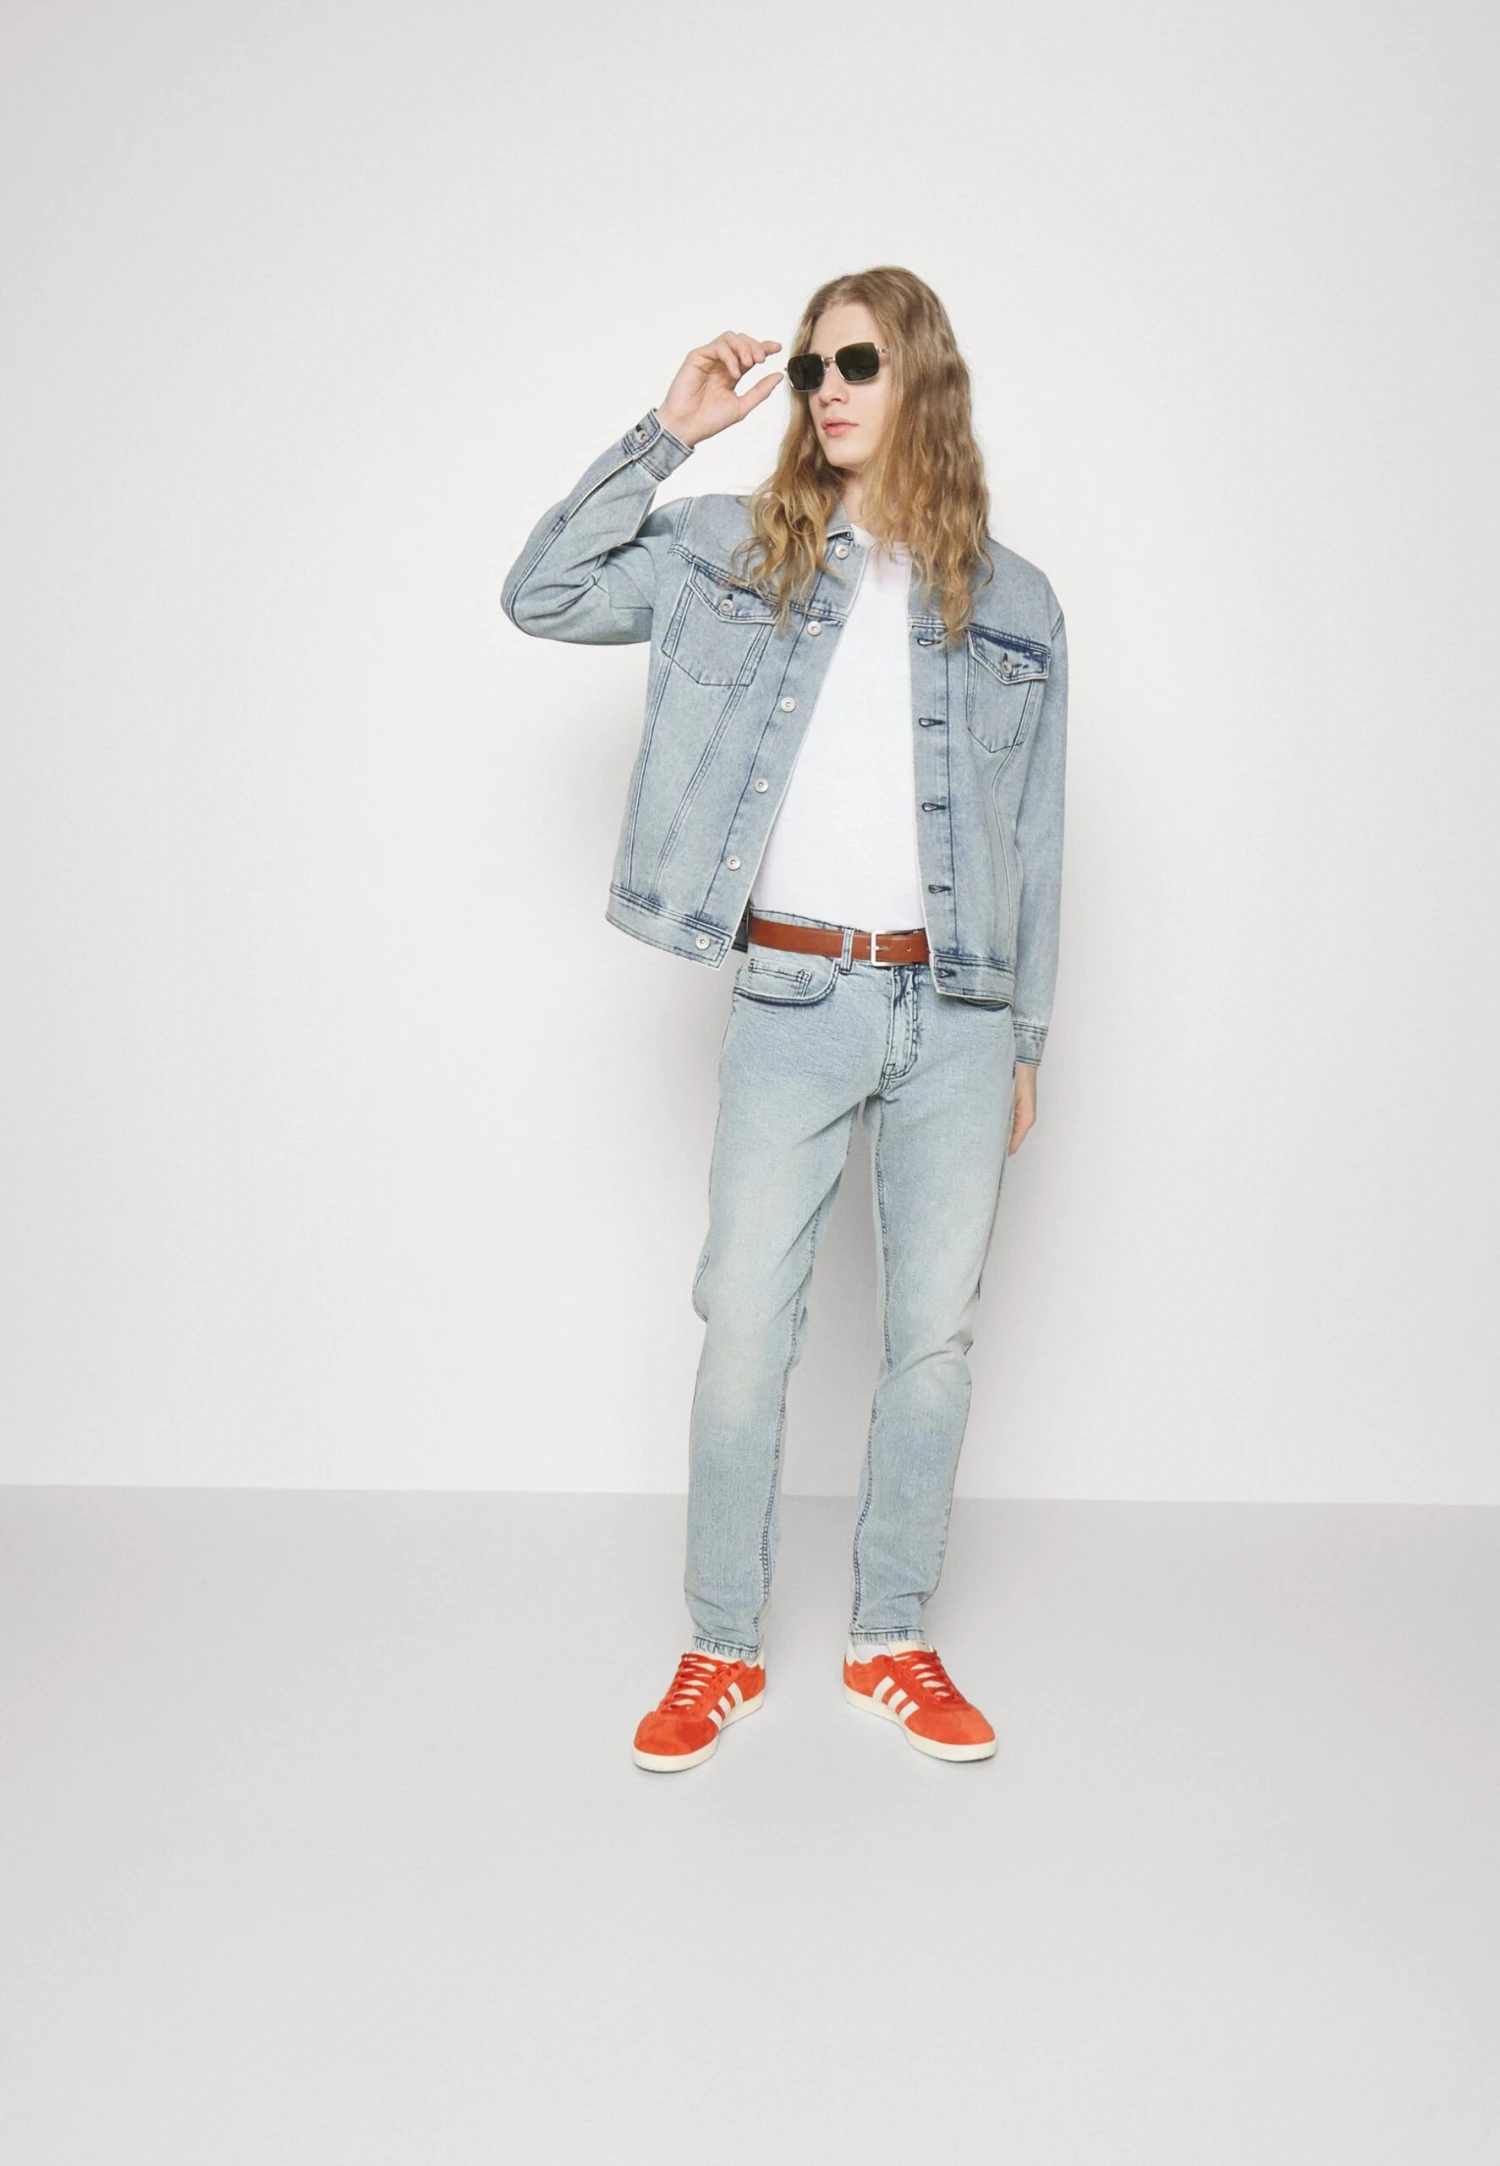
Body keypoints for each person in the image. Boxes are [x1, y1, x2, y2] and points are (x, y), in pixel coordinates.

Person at [501, 265, 1067, 1771]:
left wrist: (1025, 1037)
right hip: (793, 992)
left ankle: (890, 1636)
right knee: (747, 1326)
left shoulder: (1015, 602)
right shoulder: (733, 551)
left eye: (856, 363)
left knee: (931, 1340)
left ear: (919, 376)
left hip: (957, 1007)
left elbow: (1037, 830)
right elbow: (540, 592)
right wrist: (666, 432)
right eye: (813, 367)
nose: (826, 389)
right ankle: (721, 1645)